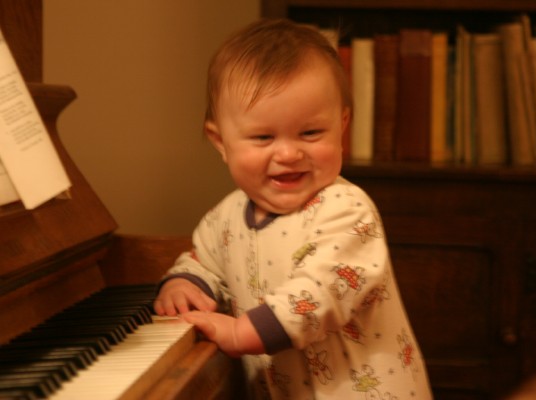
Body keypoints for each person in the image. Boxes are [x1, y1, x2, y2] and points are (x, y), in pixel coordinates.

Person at [153, 18, 432, 399]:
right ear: (220, 141)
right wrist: (184, 282)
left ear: (342, 125)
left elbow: (319, 295)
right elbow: (203, 261)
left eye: (311, 133)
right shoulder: (225, 218)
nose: (288, 153)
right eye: (263, 137)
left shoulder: (347, 210)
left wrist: (239, 333)